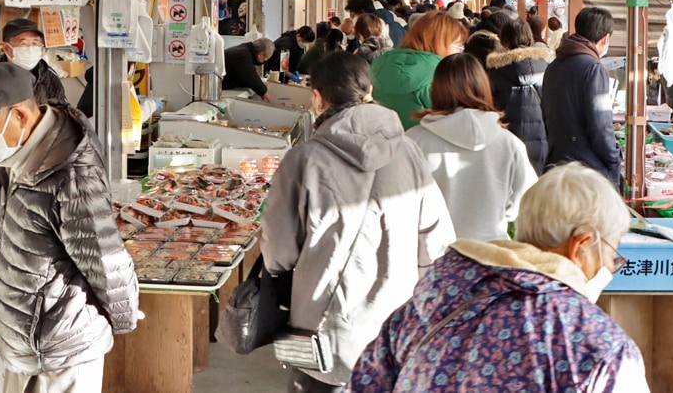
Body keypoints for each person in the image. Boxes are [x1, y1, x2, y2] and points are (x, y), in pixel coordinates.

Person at [348, 162, 648, 393]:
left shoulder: (434, 296)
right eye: (611, 251)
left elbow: (367, 382)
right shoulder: (596, 343)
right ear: (580, 245)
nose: (610, 264)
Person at [261, 52, 455, 393]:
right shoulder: (408, 151)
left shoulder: (304, 160)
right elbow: (435, 238)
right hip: (394, 323)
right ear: (368, 90)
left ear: (318, 98)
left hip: (323, 329)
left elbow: (279, 251)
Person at [0, 63, 139, 392]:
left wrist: (123, 317)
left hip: (61, 351)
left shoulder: (70, 173)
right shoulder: (25, 151)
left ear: (20, 115)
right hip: (28, 346)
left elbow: (105, 259)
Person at [406, 54, 537, 242]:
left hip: (433, 255)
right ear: (484, 87)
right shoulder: (509, 142)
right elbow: (528, 199)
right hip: (491, 251)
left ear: (436, 89)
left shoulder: (414, 141)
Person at [0, 18, 66, 269]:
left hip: (39, 175)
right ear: (7, 47)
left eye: (36, 43)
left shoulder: (49, 77)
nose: (31, 48)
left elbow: (61, 118)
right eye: (24, 43)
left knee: (32, 242)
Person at [541, 6, 621, 185]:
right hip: (585, 171)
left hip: (557, 161)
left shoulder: (554, 66)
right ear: (606, 38)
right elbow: (600, 124)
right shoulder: (593, 69)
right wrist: (614, 158)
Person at [371, 11, 468, 130]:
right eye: (458, 46)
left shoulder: (382, 63)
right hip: (426, 144)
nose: (460, 51)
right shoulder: (438, 72)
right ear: (440, 43)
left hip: (385, 142)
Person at [487, 18, 550, 175]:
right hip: (541, 139)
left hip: (505, 139)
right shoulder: (546, 68)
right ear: (530, 39)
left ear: (503, 42)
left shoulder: (494, 71)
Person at [222, 37, 276, 102]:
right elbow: (250, 75)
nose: (264, 62)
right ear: (260, 55)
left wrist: (261, 85)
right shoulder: (243, 55)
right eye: (265, 59)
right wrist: (264, 92)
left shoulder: (244, 49)